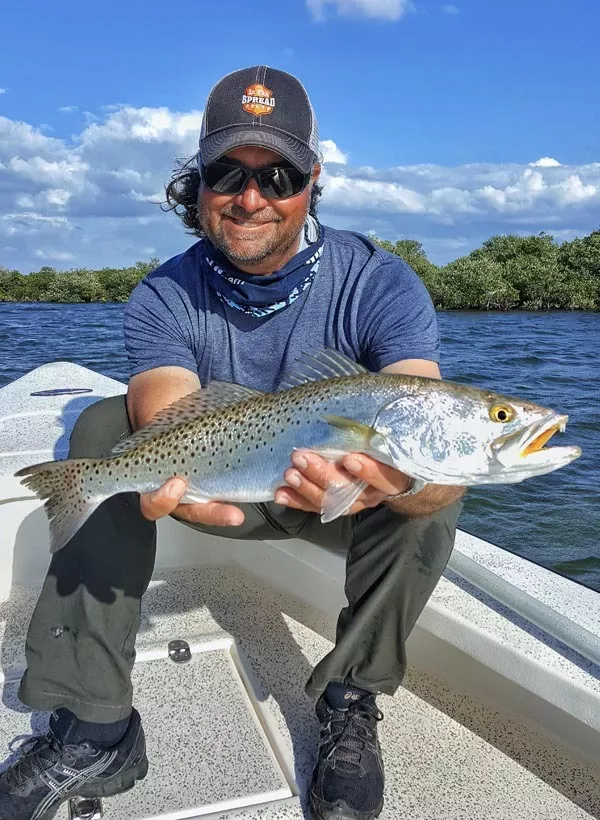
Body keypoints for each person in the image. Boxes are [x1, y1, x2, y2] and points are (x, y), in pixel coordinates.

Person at [0, 66, 464, 820]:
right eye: (228, 173)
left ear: (312, 181)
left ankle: (351, 703)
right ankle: (95, 729)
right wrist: (184, 489)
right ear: (197, 185)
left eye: (277, 175)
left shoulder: (381, 282)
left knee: (433, 483)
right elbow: (165, 409)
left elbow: (420, 397)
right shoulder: (163, 293)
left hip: (341, 497)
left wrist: (405, 482)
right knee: (100, 431)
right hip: (214, 487)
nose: (252, 198)